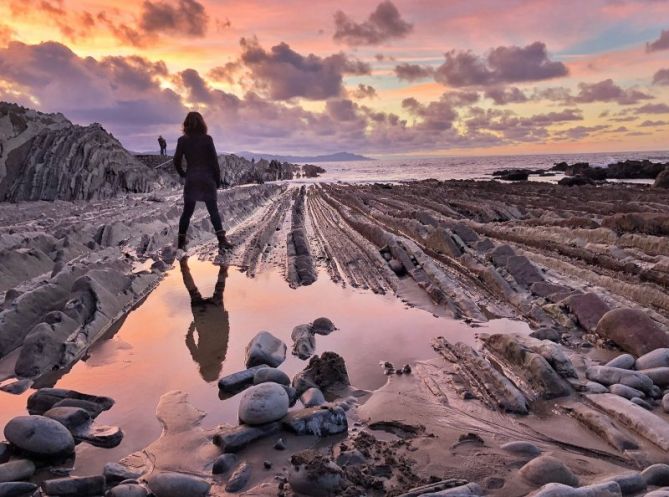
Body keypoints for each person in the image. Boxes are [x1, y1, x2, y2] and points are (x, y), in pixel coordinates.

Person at [173, 111, 232, 253]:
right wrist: (217, 181)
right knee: (213, 211)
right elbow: (214, 162)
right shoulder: (207, 139)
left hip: (192, 180)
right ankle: (222, 241)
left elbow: (176, 160)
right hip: (207, 180)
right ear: (202, 123)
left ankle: (181, 243)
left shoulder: (182, 140)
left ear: (186, 124)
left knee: (187, 213)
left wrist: (183, 174)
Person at [179, 257, 229, 382]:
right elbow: (189, 340)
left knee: (219, 290)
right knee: (192, 291)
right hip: (201, 318)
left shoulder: (221, 355)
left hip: (216, 315)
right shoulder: (199, 358)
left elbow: (225, 334)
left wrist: (226, 318)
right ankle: (183, 265)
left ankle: (224, 267)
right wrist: (193, 326)